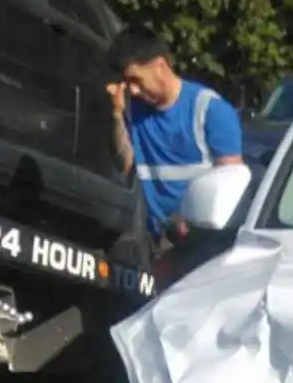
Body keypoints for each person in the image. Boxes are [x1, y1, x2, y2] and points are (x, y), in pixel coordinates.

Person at [105, 24, 246, 261]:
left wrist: (188, 219)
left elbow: (232, 184)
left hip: (209, 247)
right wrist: (117, 115)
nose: (134, 90)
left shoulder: (210, 110)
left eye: (136, 79)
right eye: (127, 83)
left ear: (160, 65)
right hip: (162, 247)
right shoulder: (134, 111)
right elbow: (126, 164)